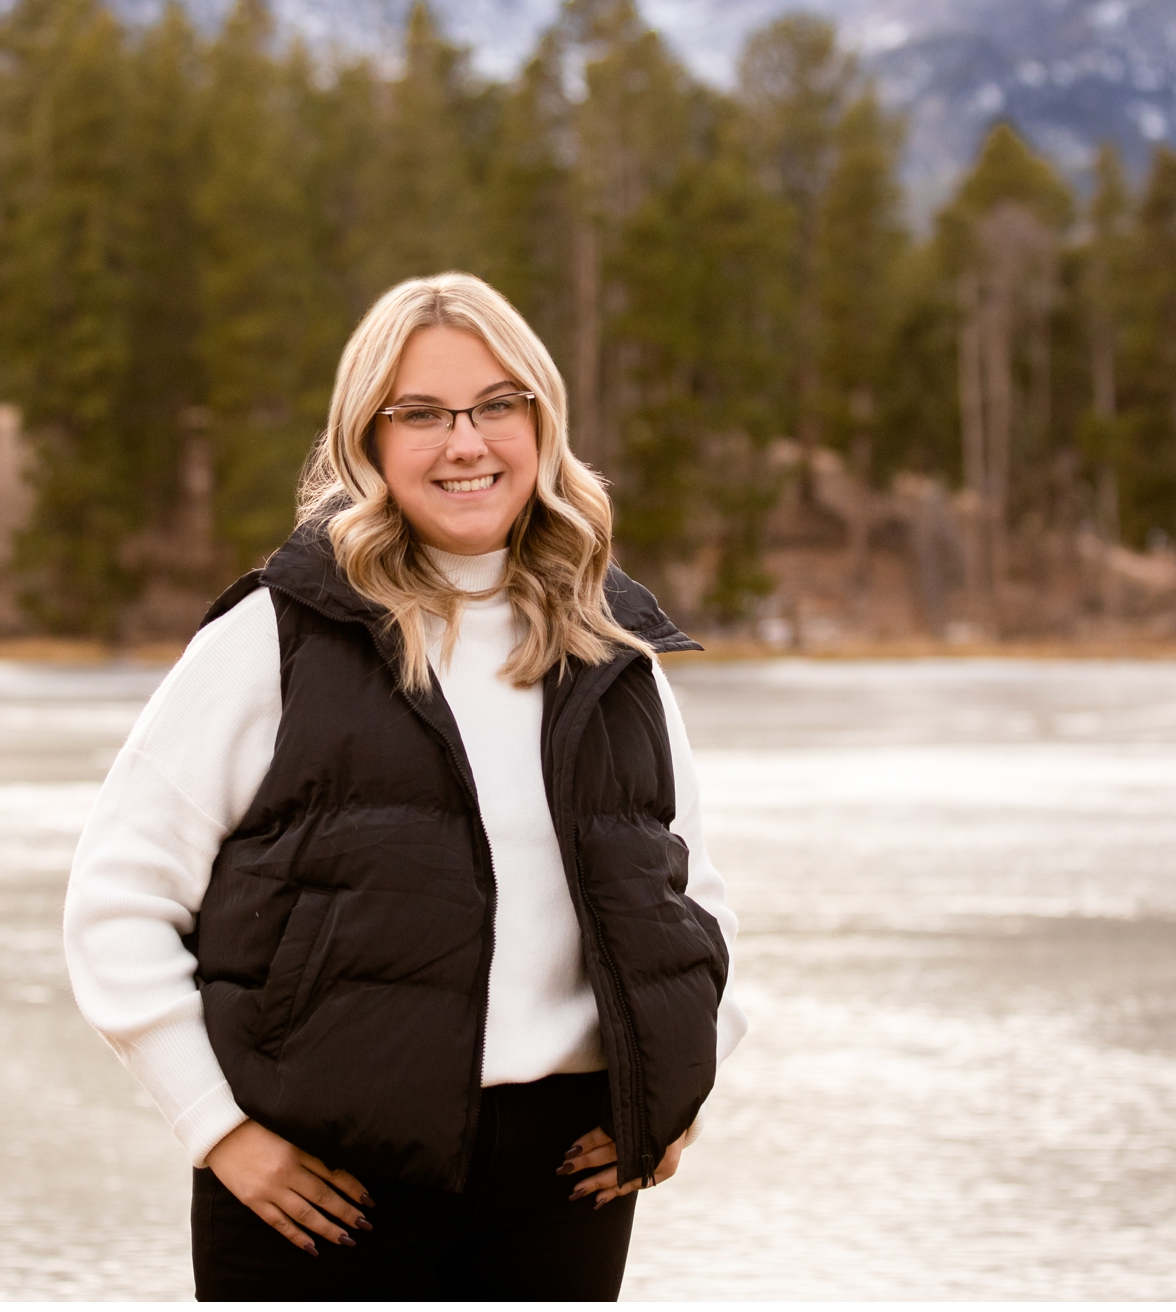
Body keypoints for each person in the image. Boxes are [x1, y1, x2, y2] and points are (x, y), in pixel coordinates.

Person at [63, 272, 746, 1301]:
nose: (465, 442)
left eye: (496, 405)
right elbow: (115, 901)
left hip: (564, 1189)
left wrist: (675, 1095)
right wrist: (219, 1127)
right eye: (420, 413)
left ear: (540, 422)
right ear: (367, 443)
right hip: (321, 1192)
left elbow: (690, 906)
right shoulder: (275, 640)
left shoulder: (616, 653)